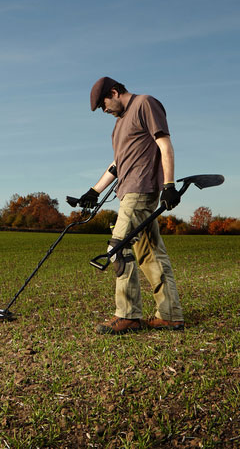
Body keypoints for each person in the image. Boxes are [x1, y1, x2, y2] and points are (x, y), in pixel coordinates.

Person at [77, 76, 185, 335]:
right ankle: (170, 315)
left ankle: (128, 315)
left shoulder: (145, 104)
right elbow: (117, 164)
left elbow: (164, 144)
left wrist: (169, 185)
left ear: (114, 92)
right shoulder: (119, 125)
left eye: (104, 104)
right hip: (128, 192)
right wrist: (93, 191)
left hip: (140, 189)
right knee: (150, 255)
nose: (104, 110)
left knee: (118, 248)